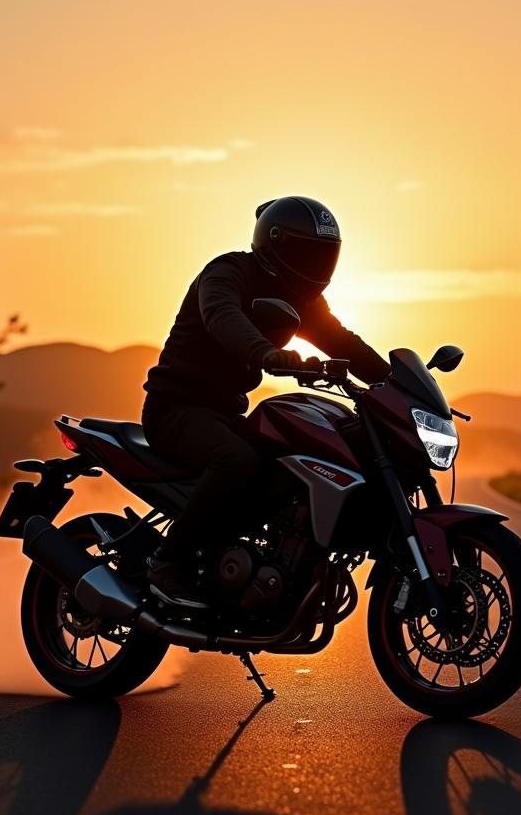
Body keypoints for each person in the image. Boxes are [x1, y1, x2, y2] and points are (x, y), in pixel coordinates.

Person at [141, 195, 391, 608]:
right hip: (176, 410)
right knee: (237, 461)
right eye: (308, 253)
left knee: (282, 464)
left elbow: (341, 340)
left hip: (223, 414)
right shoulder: (228, 272)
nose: (316, 265)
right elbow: (222, 315)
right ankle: (166, 562)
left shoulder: (301, 298)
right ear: (276, 243)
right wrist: (264, 352)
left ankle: (253, 563)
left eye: (324, 255)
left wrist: (395, 384)